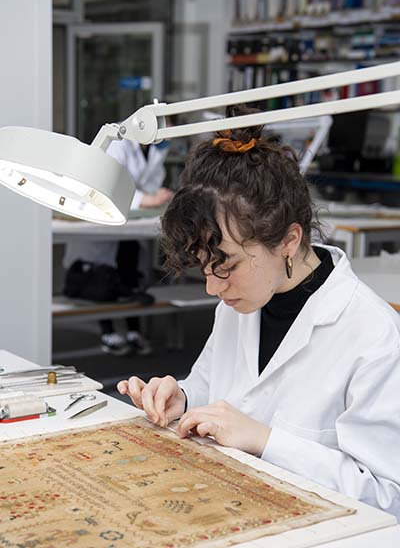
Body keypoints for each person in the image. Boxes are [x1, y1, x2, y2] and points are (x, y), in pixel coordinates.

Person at [117, 106, 400, 519]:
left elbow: (387, 497)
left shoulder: (374, 336)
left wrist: (266, 440)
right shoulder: (240, 303)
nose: (213, 288)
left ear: (288, 240)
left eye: (227, 266)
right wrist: (181, 397)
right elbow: (212, 389)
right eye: (205, 268)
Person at [64, 136, 173, 356]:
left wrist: (153, 196)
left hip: (128, 220)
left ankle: (134, 332)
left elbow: (151, 181)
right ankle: (108, 333)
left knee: (129, 276)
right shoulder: (117, 142)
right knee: (103, 276)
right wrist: (145, 199)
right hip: (103, 216)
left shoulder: (155, 147)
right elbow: (107, 182)